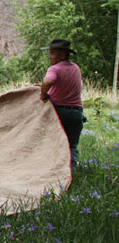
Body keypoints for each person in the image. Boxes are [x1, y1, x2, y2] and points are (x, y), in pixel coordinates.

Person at [39, 38, 84, 170]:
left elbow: (48, 82)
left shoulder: (55, 69)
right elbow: (63, 86)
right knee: (72, 145)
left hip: (59, 112)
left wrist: (43, 94)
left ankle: (54, 171)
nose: (50, 57)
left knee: (54, 142)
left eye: (52, 53)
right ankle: (71, 172)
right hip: (76, 112)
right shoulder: (76, 68)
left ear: (62, 55)